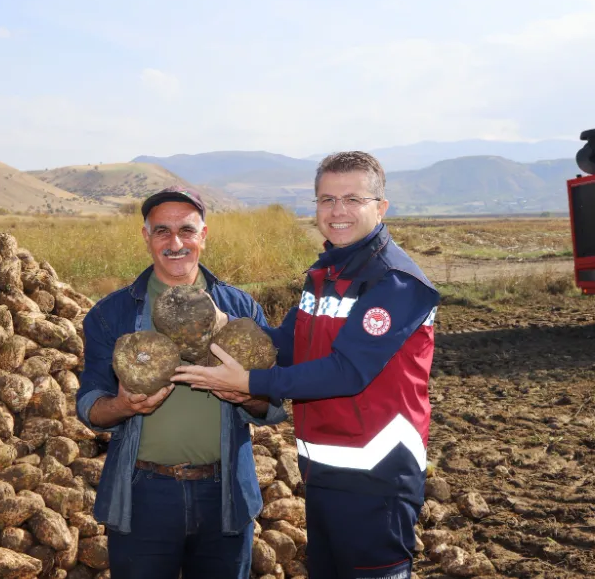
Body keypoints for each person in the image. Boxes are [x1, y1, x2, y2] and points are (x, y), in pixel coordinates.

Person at [173, 152, 440, 579]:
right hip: (322, 468)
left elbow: (347, 371)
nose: (337, 211)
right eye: (326, 199)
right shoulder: (324, 273)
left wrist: (251, 381)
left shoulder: (395, 282)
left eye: (352, 199)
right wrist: (222, 327)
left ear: (381, 207)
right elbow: (286, 345)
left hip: (377, 475)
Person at [75, 185, 288, 579]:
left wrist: (247, 393)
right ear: (146, 237)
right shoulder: (112, 314)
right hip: (144, 495)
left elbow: (273, 404)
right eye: (162, 231)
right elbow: (89, 404)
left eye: (187, 230)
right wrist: (123, 406)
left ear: (203, 236)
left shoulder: (241, 309)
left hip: (224, 494)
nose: (176, 243)